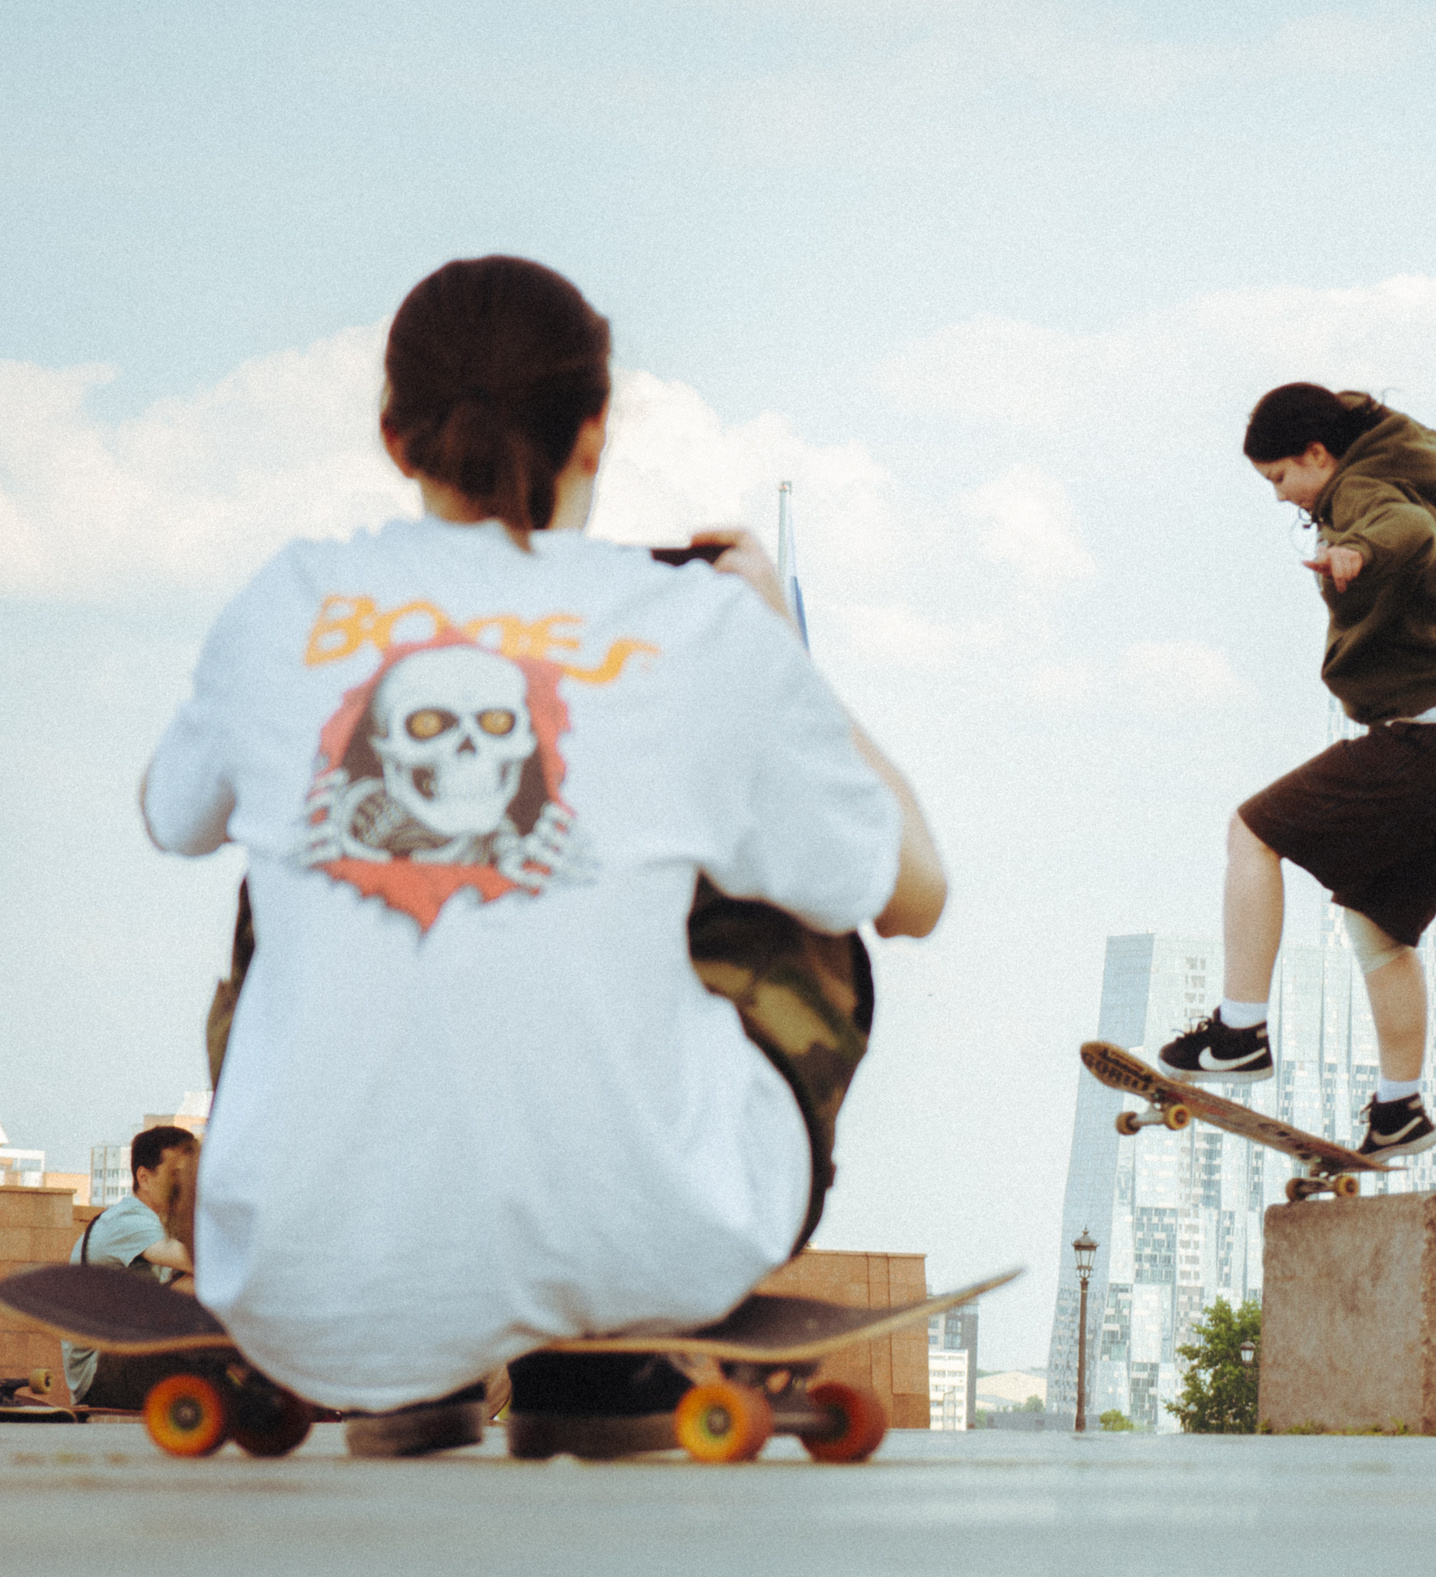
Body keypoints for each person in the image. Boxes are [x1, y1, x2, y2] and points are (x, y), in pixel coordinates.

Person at [141, 256, 945, 1457]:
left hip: (308, 1276)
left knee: (292, 855)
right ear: (597, 426)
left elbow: (173, 816)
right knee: (780, 863)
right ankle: (607, 1333)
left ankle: (408, 1326)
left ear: (390, 434)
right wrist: (779, 658)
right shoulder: (700, 629)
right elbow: (912, 893)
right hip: (658, 1242)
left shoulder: (286, 601)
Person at [1155, 385, 1436, 1157]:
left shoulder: (1365, 493)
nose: (1280, 497)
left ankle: (1239, 1029)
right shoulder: (1382, 478)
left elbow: (1410, 531)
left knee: (1252, 830)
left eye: (1279, 479)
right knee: (1377, 921)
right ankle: (1400, 1110)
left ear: (1317, 455)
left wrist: (1357, 552)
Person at [62, 1126, 211, 1409]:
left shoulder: (166, 1224)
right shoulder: (126, 1220)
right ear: (144, 1177)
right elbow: (195, 1261)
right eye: (176, 1173)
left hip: (131, 1355)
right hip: (102, 1374)